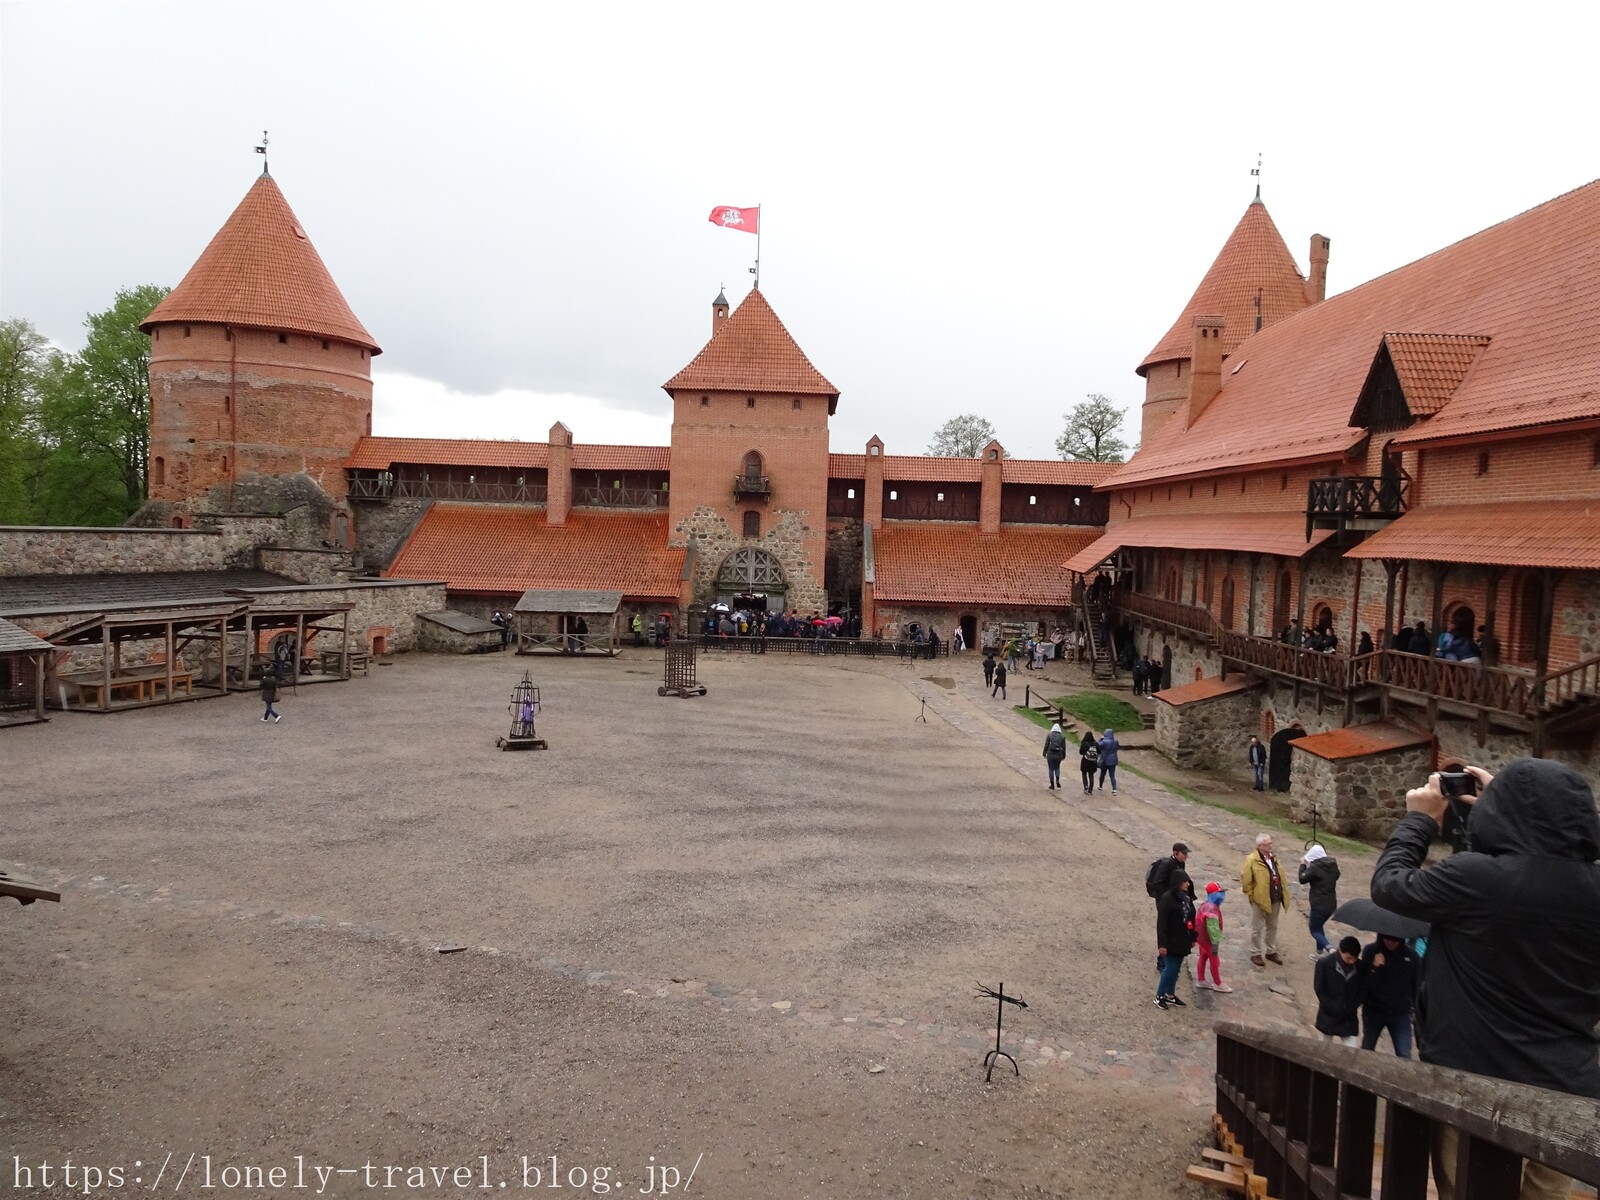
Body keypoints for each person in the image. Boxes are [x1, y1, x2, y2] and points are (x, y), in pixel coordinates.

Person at [1370, 760, 1600, 1199]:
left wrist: (1419, 819)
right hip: (1568, 1087)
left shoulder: (1476, 878)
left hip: (1474, 1083)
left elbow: (1389, 884)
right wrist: (1516, 802)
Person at [1359, 934, 1417, 1057]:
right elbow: (1364, 984)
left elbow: (1415, 984)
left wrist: (1413, 1007)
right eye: (1387, 939)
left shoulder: (1412, 956)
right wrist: (1374, 967)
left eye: (1394, 940)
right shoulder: (1371, 951)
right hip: (1374, 1010)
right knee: (1367, 1049)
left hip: (1400, 1013)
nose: (1390, 943)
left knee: (1404, 1053)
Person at [1239, 832, 1287, 966]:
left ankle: (1271, 951)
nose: (1270, 846)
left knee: (1273, 926)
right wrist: (1253, 895)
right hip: (1259, 900)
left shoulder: (1273, 859)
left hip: (1275, 898)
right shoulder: (1251, 860)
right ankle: (1255, 952)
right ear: (1260, 846)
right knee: (1257, 928)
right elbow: (1246, 880)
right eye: (1268, 844)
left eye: (1271, 843)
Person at [1313, 936, 1366, 1046]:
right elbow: (1319, 989)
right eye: (1348, 958)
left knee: (1352, 1053)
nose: (1351, 961)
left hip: (1348, 1017)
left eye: (1354, 958)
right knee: (1322, 1051)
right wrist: (1330, 1006)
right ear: (1340, 951)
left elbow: (1362, 990)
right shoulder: (1324, 964)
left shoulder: (1360, 967)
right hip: (1327, 1015)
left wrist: (1351, 1007)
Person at [1155, 873, 1196, 1010]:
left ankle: (1170, 995)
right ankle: (1159, 995)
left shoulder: (1186, 898)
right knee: (1170, 969)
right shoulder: (1167, 900)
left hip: (1182, 940)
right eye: (1185, 882)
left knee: (1176, 969)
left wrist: (1193, 937)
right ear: (1178, 882)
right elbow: (1162, 924)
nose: (1188, 884)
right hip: (1171, 941)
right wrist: (1162, 944)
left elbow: (1191, 918)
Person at [1299, 843, 1341, 959]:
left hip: (1319, 904)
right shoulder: (1333, 865)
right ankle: (1319, 952)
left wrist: (1302, 865)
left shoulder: (1315, 868)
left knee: (1314, 929)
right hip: (1331, 904)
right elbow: (1337, 875)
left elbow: (1302, 879)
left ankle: (1330, 949)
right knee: (1319, 926)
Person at [1194, 882, 1232, 993]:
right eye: (1220, 892)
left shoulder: (1205, 905)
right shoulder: (1211, 909)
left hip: (1202, 939)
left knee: (1203, 957)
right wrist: (1215, 942)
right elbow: (1213, 928)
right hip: (1209, 941)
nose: (1222, 895)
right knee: (1214, 961)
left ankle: (1201, 980)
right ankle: (1217, 983)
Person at [1042, 722, 1066, 789]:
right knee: (1057, 768)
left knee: (1051, 769)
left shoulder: (1049, 735)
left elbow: (1046, 745)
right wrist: (1063, 755)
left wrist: (1044, 752)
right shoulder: (1062, 737)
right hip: (1058, 754)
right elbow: (1064, 747)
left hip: (1050, 754)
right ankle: (1057, 780)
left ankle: (1052, 784)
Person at [1096, 728, 1119, 794]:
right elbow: (1117, 748)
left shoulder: (1104, 742)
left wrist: (1100, 739)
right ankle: (1114, 789)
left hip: (1105, 760)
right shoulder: (1116, 741)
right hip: (1113, 760)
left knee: (1103, 774)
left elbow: (1097, 745)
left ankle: (1100, 786)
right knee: (1112, 775)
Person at [1077, 731, 1099, 795]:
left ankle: (1086, 787)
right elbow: (1099, 752)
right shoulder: (1096, 743)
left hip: (1085, 761)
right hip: (1093, 762)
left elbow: (1080, 752)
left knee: (1084, 774)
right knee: (1091, 775)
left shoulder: (1084, 743)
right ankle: (1090, 790)